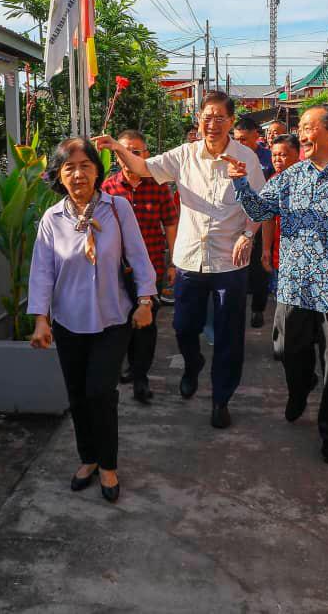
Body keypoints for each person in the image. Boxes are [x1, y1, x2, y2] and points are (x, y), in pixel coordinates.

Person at [224, 106, 328, 464]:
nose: (302, 134)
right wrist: (239, 181)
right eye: (300, 128)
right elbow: (258, 211)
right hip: (294, 287)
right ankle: (299, 390)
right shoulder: (289, 177)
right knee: (287, 352)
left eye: (309, 127)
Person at [93, 91, 265, 430]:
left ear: (231, 121)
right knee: (184, 326)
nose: (212, 123)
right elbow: (142, 167)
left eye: (219, 118)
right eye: (206, 116)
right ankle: (193, 362)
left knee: (230, 337)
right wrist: (116, 147)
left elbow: (259, 207)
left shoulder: (247, 158)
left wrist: (248, 235)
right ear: (198, 119)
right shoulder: (184, 155)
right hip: (189, 259)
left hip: (229, 263)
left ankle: (221, 399)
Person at [29, 138, 157, 504]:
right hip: (69, 323)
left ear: (98, 171)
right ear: (59, 176)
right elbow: (42, 273)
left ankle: (108, 465)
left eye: (86, 165)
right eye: (69, 167)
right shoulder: (52, 219)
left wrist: (146, 300)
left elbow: (139, 255)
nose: (78, 173)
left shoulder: (117, 209)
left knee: (101, 392)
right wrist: (41, 319)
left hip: (113, 318)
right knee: (78, 395)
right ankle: (87, 457)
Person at [101, 129, 179, 404]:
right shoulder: (108, 188)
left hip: (151, 266)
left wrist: (173, 262)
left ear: (146, 156)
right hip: (115, 270)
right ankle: (128, 364)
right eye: (124, 151)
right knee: (121, 320)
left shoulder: (157, 186)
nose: (130, 156)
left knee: (146, 322)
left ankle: (141, 375)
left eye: (137, 152)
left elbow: (170, 223)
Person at [233, 115, 273, 327]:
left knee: (259, 267)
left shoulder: (268, 157)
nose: (240, 144)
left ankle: (258, 308)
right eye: (237, 139)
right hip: (236, 220)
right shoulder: (230, 156)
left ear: (256, 136)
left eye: (244, 139)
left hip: (261, 219)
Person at [260, 134, 300, 291]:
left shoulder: (308, 178)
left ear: (297, 154)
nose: (277, 159)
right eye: (274, 155)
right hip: (280, 254)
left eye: (283, 155)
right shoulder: (273, 181)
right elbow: (267, 218)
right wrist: (265, 249)